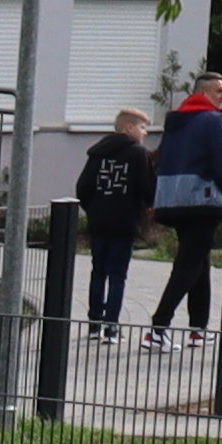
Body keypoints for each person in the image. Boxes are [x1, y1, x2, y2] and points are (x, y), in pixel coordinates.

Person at [147, 77, 222, 348]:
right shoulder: (213, 121)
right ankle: (158, 328)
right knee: (189, 264)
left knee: (199, 260)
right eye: (220, 91)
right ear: (204, 92)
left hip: (173, 199)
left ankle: (199, 328)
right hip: (203, 200)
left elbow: (161, 158)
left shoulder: (176, 123)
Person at [74, 109, 155, 331]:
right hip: (125, 222)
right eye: (142, 127)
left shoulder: (97, 153)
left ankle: (94, 323)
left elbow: (83, 188)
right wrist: (148, 206)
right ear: (128, 128)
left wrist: (93, 209)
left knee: (98, 270)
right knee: (117, 275)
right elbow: (148, 189)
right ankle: (111, 326)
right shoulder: (138, 154)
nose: (145, 133)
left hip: (99, 222)